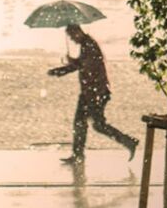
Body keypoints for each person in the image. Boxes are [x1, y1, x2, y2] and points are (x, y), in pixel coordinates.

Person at [48, 24, 138, 164]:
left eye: (72, 36)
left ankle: (128, 141)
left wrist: (64, 68)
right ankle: (78, 155)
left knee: (96, 125)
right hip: (90, 92)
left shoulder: (89, 45)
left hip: (96, 92)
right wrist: (68, 66)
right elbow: (83, 64)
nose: (72, 39)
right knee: (81, 123)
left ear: (78, 32)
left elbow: (85, 66)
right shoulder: (87, 44)